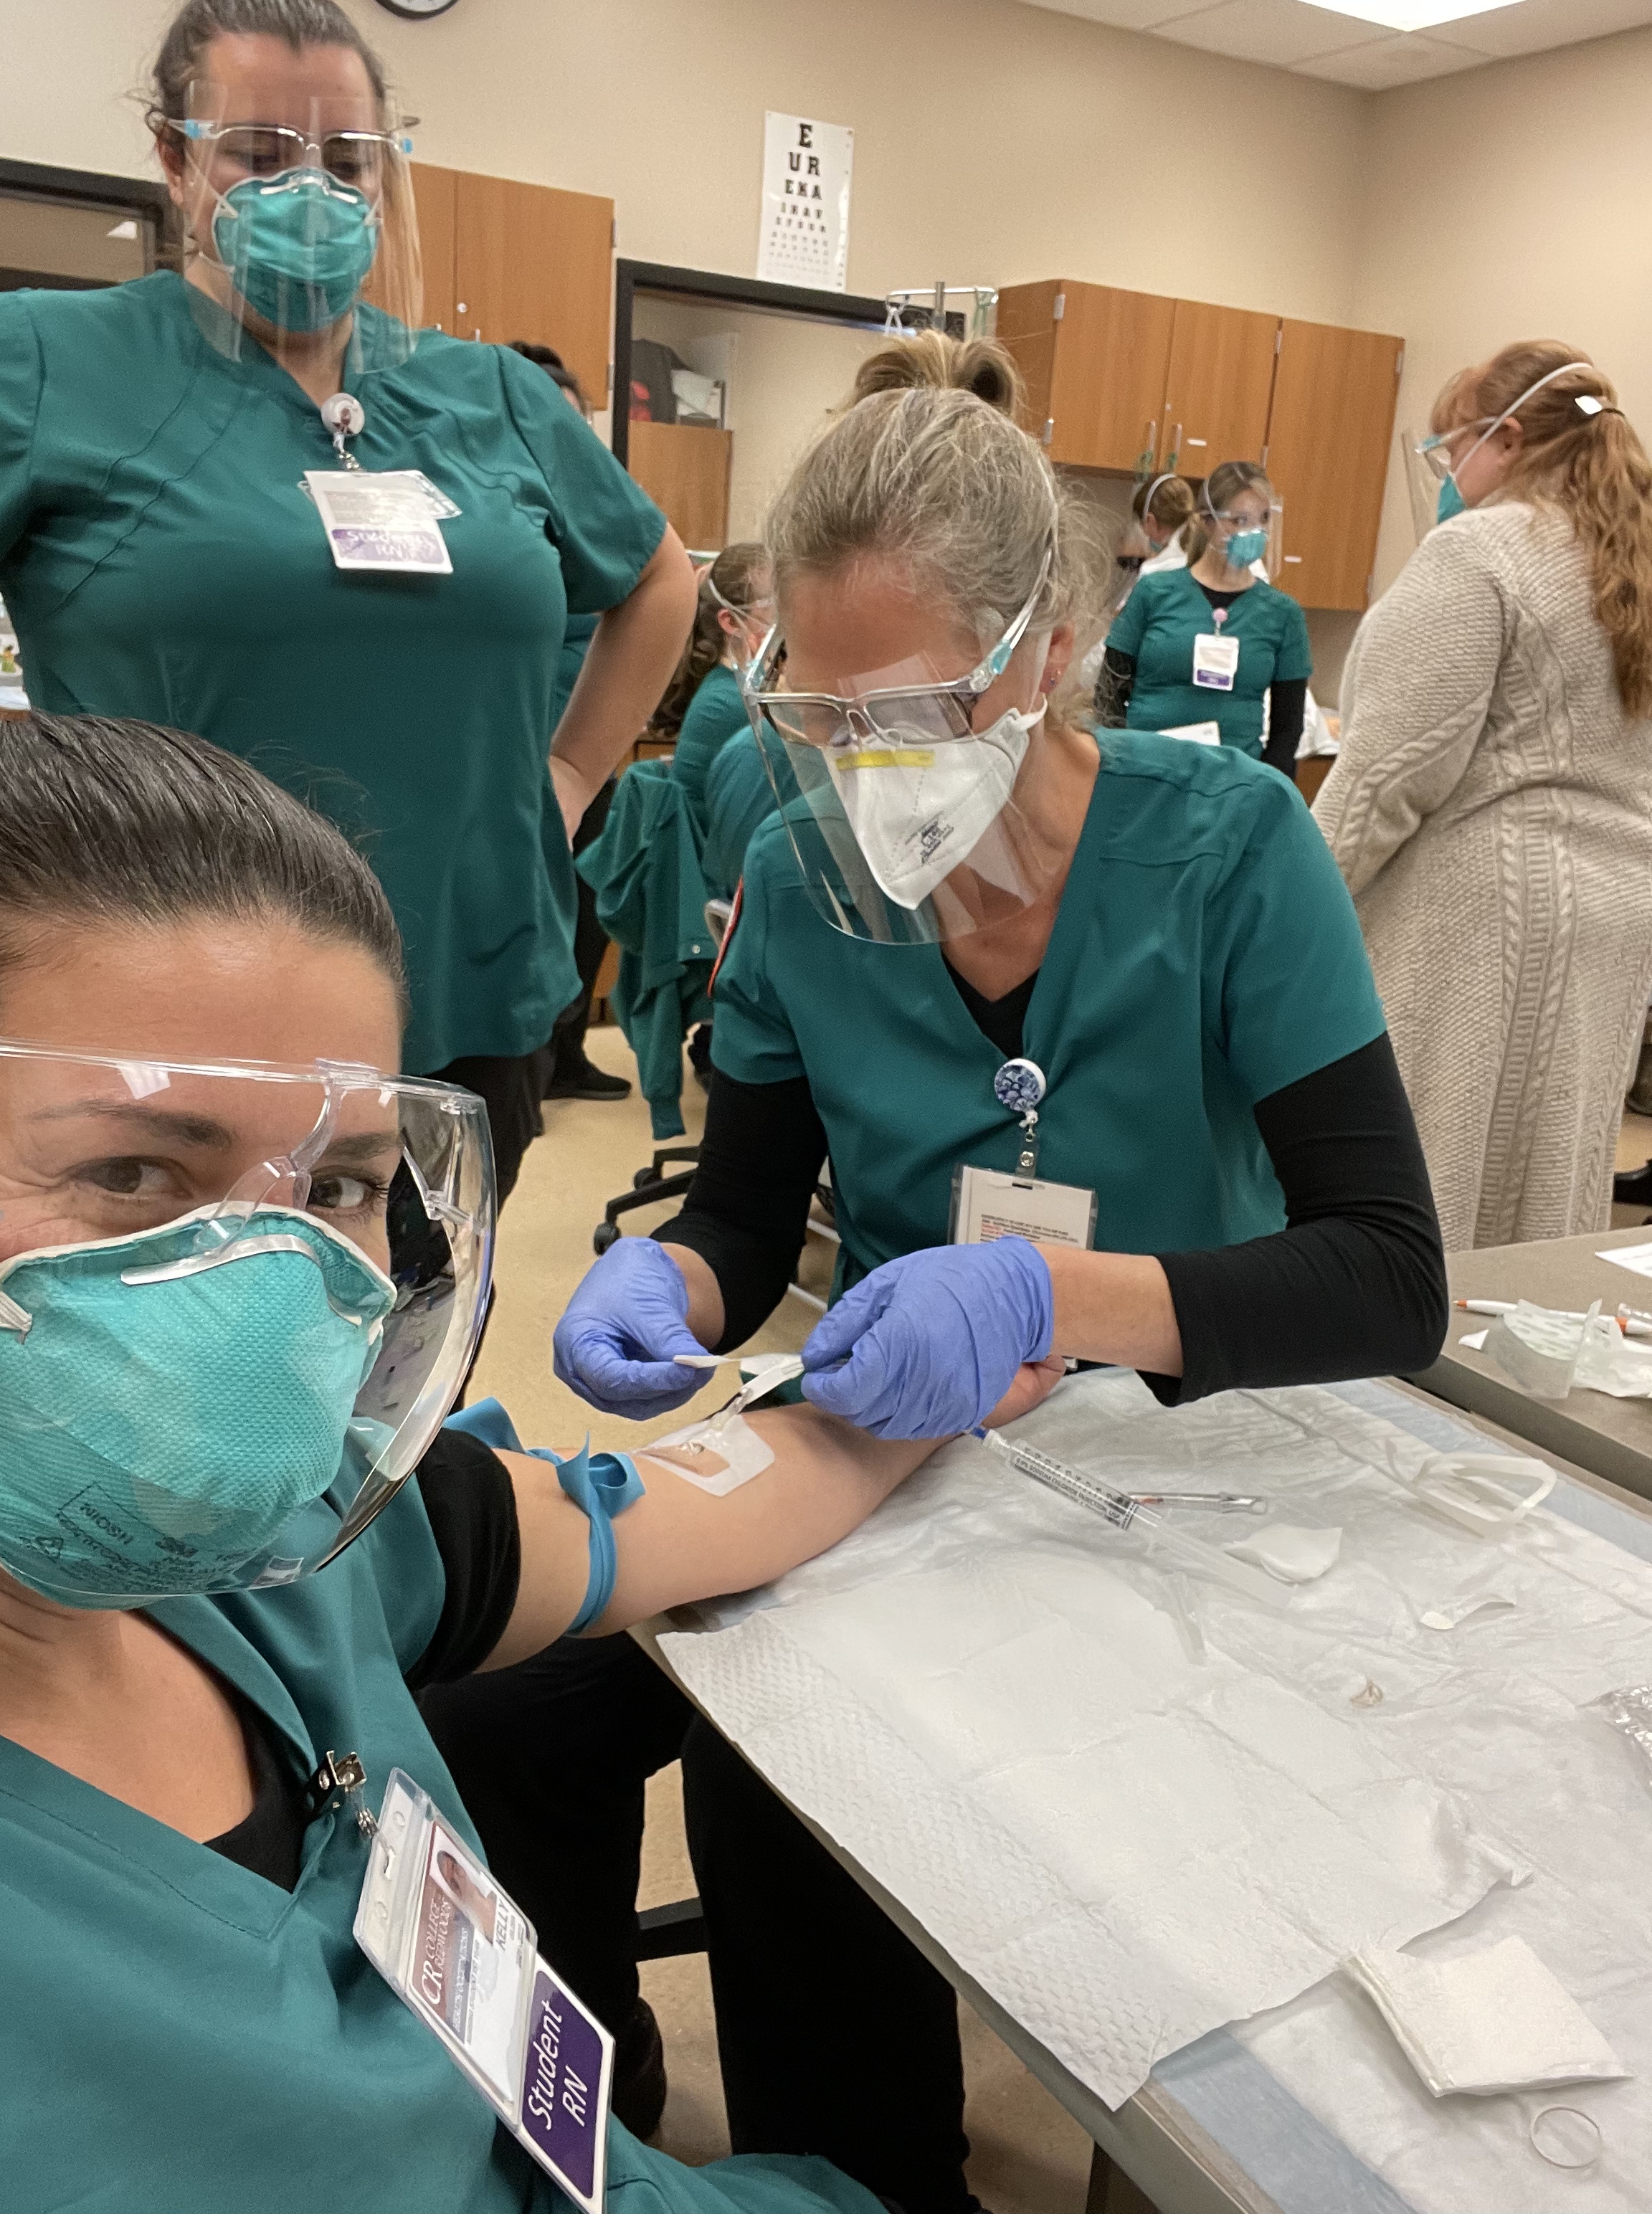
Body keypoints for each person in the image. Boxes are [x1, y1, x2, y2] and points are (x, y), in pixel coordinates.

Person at [550, 336, 1447, 2214]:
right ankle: (728, 2142)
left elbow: (1386, 1276)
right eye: (825, 714)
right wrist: (676, 1288)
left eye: (921, 706)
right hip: (904, 1433)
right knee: (625, 1719)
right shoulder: (804, 873)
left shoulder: (1231, 853)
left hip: (1177, 1451)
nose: (871, 764)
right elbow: (746, 1210)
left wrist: (1052, 1302)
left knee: (868, 1786)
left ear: (1051, 651)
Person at [0, 708, 1061, 2214]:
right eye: (131, 1169)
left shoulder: (264, 1550)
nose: (269, 1278)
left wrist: (911, 1392)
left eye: (342, 1184)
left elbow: (648, 1514)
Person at [0, 0, 695, 1201]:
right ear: (174, 159)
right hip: (165, 1027)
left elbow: (657, 576)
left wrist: (571, 774)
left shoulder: (489, 394)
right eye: (259, 155)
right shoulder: (49, 362)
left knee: (422, 1317)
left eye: (347, 160)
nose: (309, 192)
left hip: (467, 992)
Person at [1315, 341, 1652, 1251]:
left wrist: (1285, 913)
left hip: (1480, 923)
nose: (1446, 475)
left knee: (1427, 1192)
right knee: (1549, 1194)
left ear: (1505, 439)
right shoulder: (1635, 559)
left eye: (1449, 448)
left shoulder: (1481, 551)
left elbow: (1385, 780)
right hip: (1617, 924)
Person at [509, 340, 632, 1106]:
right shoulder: (503, 521)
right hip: (513, 767)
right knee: (523, 924)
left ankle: (567, 1055)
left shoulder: (596, 520)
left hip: (587, 761)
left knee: (586, 917)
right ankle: (523, 1062)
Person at [1096, 460, 1311, 778]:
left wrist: (1260, 792)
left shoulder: (1282, 615)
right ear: (1205, 522)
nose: (1254, 531)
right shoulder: (1154, 593)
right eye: (1239, 520)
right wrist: (1119, 765)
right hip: (1144, 773)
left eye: (1263, 518)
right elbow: (1109, 695)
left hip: (1232, 783)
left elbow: (1287, 729)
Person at [656, 543, 774, 846]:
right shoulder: (730, 703)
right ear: (730, 622)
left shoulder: (733, 686)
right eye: (771, 605)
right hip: (713, 863)